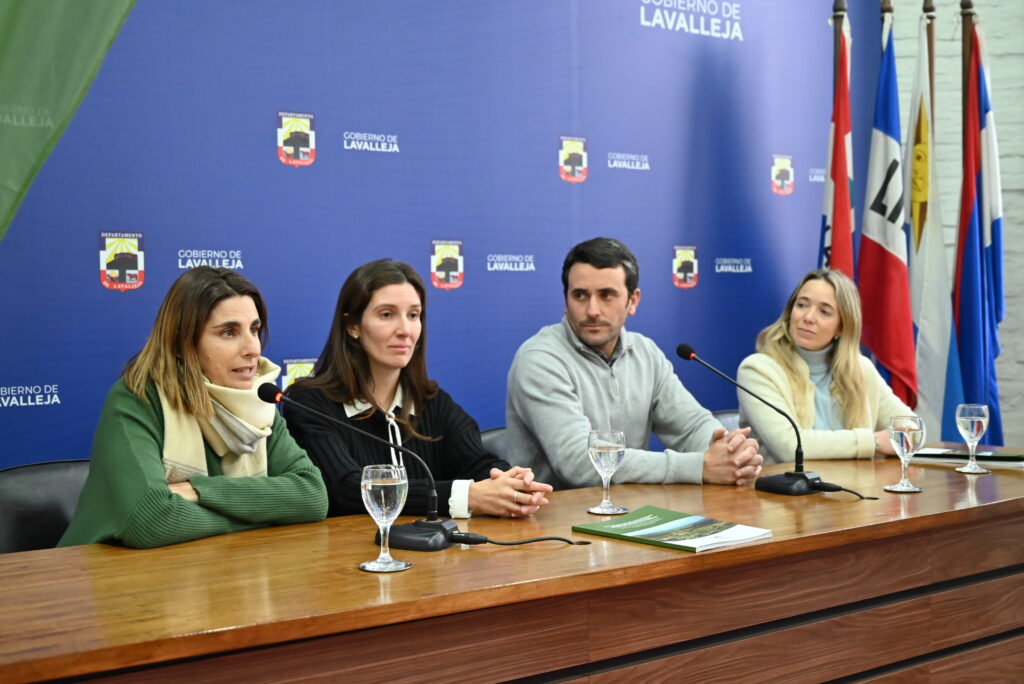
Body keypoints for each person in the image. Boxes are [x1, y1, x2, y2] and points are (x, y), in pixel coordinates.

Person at [60, 267, 328, 549]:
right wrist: (263, 514)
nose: (253, 349)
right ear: (181, 341)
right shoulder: (137, 397)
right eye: (228, 332)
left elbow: (312, 496)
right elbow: (150, 519)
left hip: (208, 570)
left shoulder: (259, 398)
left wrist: (199, 491)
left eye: (254, 329)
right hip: (96, 578)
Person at [284, 259, 552, 519]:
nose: (405, 330)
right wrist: (466, 496)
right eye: (387, 315)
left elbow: (477, 462)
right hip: (349, 558)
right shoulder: (310, 404)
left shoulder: (432, 402)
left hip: (431, 558)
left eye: (413, 315)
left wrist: (509, 482)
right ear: (352, 326)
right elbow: (347, 489)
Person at [506, 237, 763, 490]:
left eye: (607, 295)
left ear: (633, 301)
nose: (593, 310)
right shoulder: (539, 358)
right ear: (566, 301)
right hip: (553, 520)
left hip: (630, 510)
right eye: (580, 295)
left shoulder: (644, 351)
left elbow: (691, 425)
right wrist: (699, 466)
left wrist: (728, 451)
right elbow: (580, 464)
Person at [736, 269, 914, 463]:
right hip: (784, 491)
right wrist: (871, 442)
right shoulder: (757, 370)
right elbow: (790, 447)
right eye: (802, 305)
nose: (808, 317)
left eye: (824, 311)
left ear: (841, 327)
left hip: (856, 489)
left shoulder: (861, 369)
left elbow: (911, 429)